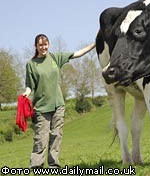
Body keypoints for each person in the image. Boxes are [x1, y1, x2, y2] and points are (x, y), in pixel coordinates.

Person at [22, 34, 95, 169]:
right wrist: (26, 93)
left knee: (56, 135)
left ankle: (53, 165)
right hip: (41, 106)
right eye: (40, 45)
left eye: (45, 44)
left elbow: (77, 54)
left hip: (58, 104)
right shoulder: (31, 64)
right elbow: (29, 85)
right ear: (36, 46)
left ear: (48, 45)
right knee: (41, 138)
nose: (43, 47)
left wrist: (94, 44)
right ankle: (36, 166)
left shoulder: (55, 58)